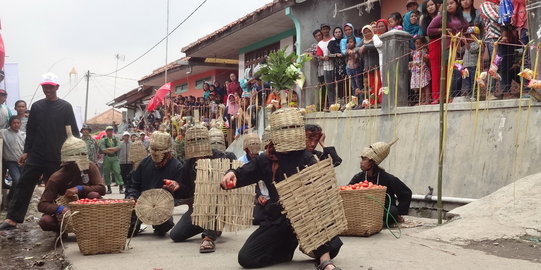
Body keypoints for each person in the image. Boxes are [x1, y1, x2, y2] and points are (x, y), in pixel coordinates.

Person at [221, 109, 343, 270]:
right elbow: (245, 172)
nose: (288, 133)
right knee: (246, 259)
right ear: (276, 133)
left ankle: (325, 262)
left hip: (309, 217)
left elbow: (323, 184)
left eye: (292, 129)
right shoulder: (266, 158)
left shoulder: (306, 157)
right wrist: (232, 174)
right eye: (284, 129)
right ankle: (285, 250)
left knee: (331, 248)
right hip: (278, 219)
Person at [0, 73, 79, 230]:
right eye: (45, 87)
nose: (47, 89)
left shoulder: (65, 107)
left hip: (57, 156)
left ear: (57, 87)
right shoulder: (37, 106)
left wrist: (72, 154)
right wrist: (26, 151)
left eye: (50, 86)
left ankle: (54, 218)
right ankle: (13, 219)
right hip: (36, 154)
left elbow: (74, 133)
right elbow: (31, 130)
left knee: (54, 187)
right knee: (24, 183)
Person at [169, 125, 227, 253]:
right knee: (176, 235)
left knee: (212, 200)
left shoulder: (220, 157)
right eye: (191, 141)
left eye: (200, 139)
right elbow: (185, 189)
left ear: (206, 141)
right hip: (198, 206)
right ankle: (209, 225)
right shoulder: (189, 163)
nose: (196, 144)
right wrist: (177, 187)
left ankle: (209, 236)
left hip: (217, 204)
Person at [37, 128, 106, 232]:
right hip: (65, 211)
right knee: (45, 221)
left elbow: (102, 189)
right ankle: (62, 230)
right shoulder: (57, 177)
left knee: (94, 196)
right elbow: (42, 205)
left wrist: (80, 188)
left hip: (86, 209)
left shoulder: (90, 166)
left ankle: (93, 227)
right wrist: (60, 209)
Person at [125, 131, 182, 237]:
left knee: (166, 225)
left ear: (168, 153)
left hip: (162, 206)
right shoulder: (144, 163)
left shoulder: (177, 166)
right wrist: (132, 196)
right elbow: (134, 185)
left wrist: (174, 189)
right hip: (142, 203)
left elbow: (182, 192)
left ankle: (159, 226)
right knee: (127, 230)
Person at [349, 139, 412, 225]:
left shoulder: (388, 178)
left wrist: (399, 212)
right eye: (362, 159)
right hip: (364, 211)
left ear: (372, 162)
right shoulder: (359, 177)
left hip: (383, 211)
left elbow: (406, 193)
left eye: (364, 159)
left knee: (392, 212)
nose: (361, 162)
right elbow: (347, 191)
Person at [427, 0, 468, 103]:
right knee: (445, 72)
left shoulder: (461, 18)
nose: (449, 6)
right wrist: (443, 30)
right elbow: (429, 30)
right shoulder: (441, 17)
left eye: (451, 3)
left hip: (459, 49)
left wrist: (465, 37)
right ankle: (442, 97)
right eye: (447, 4)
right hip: (446, 48)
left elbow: (466, 30)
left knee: (459, 72)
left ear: (457, 4)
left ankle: (453, 95)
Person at [0, 117, 25, 208]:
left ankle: (16, 201)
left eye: (18, 123)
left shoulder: (23, 134)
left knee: (22, 181)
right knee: (17, 180)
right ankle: (10, 199)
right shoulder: (3, 132)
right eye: (14, 123)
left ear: (20, 124)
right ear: (10, 124)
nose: (16, 125)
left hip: (22, 162)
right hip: (11, 162)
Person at [359, 25, 382, 106]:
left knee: (378, 84)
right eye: (365, 32)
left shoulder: (376, 38)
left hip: (376, 66)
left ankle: (380, 101)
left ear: (372, 31)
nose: (367, 33)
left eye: (369, 31)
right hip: (367, 67)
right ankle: (373, 102)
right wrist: (360, 48)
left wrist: (365, 46)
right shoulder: (363, 41)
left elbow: (377, 46)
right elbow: (356, 48)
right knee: (371, 86)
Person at [99, 126, 124, 194]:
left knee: (117, 171)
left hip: (114, 157)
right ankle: (109, 188)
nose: (110, 132)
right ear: (106, 131)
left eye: (111, 130)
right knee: (106, 173)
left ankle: (121, 187)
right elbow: (103, 149)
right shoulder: (103, 140)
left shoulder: (115, 138)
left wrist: (109, 149)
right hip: (107, 157)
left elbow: (119, 147)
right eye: (108, 130)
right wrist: (112, 149)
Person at [317, 23, 337, 107]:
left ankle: (339, 102)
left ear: (329, 29)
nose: (325, 30)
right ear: (321, 31)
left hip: (336, 65)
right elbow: (319, 55)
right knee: (329, 86)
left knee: (337, 84)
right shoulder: (320, 44)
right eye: (323, 29)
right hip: (326, 66)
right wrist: (323, 58)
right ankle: (332, 104)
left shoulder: (334, 39)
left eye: (326, 29)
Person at [409, 36, 432, 105]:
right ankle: (422, 101)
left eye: (420, 43)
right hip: (417, 72)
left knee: (426, 85)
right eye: (416, 43)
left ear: (423, 44)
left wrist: (422, 56)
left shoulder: (424, 52)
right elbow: (411, 55)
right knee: (420, 86)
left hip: (423, 70)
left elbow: (426, 61)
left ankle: (427, 100)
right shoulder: (414, 52)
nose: (418, 45)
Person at [328, 27, 346, 101]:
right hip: (337, 66)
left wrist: (343, 54)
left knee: (347, 81)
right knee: (339, 83)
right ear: (334, 34)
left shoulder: (345, 41)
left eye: (339, 32)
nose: (338, 34)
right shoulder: (331, 43)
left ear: (342, 33)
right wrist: (336, 54)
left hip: (346, 64)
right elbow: (329, 54)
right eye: (336, 32)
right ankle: (340, 100)